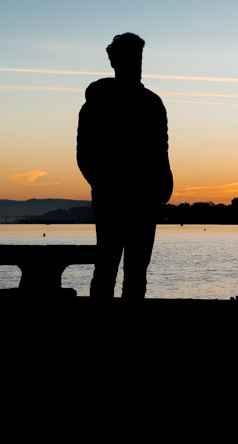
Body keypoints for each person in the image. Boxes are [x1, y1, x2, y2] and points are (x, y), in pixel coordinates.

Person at [77, 32, 173, 298]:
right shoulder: (96, 105)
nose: (136, 63)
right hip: (112, 199)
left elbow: (160, 149)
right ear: (114, 61)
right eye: (130, 57)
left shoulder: (153, 104)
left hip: (145, 199)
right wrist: (105, 185)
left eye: (138, 57)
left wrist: (163, 182)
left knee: (136, 271)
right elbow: (85, 155)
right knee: (107, 267)